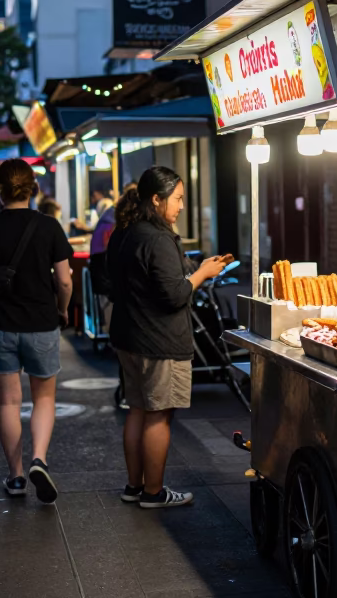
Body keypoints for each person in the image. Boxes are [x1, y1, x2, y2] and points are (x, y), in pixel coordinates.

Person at [108, 166, 229, 509]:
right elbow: (174, 295)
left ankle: (134, 486)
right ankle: (153, 492)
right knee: (158, 415)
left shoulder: (124, 233)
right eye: (176, 199)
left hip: (128, 336)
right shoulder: (158, 238)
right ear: (156, 199)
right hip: (158, 341)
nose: (180, 206)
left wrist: (193, 268)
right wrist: (203, 273)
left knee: (137, 409)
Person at [0, 159, 73, 503]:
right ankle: (39, 459)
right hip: (41, 323)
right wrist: (63, 308)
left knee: (9, 402)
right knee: (44, 397)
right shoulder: (49, 227)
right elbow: (65, 280)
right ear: (33, 187)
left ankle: (15, 477)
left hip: (0, 324)